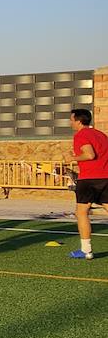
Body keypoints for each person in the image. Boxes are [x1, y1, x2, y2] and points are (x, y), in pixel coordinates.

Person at [66, 108, 108, 259]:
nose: (70, 122)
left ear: (78, 121)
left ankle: (86, 250)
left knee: (81, 212)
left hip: (89, 179)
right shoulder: (101, 135)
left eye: (71, 120)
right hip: (106, 177)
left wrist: (72, 158)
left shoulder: (81, 135)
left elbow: (89, 155)